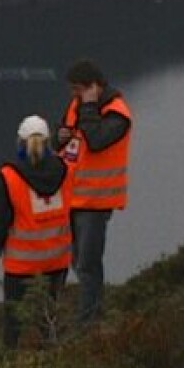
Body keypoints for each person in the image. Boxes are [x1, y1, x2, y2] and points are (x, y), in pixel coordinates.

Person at [0, 114, 73, 349]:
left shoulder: (10, 177)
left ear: (21, 144)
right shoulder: (64, 171)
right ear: (48, 143)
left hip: (22, 266)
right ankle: (52, 366)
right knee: (50, 318)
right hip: (57, 262)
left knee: (14, 324)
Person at [54, 59, 132, 325]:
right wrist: (59, 137)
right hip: (72, 198)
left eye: (78, 89)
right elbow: (64, 139)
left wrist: (88, 106)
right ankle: (90, 314)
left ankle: (88, 322)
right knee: (77, 261)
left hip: (96, 201)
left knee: (88, 263)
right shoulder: (77, 106)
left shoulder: (117, 113)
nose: (73, 95)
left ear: (93, 87)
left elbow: (97, 141)